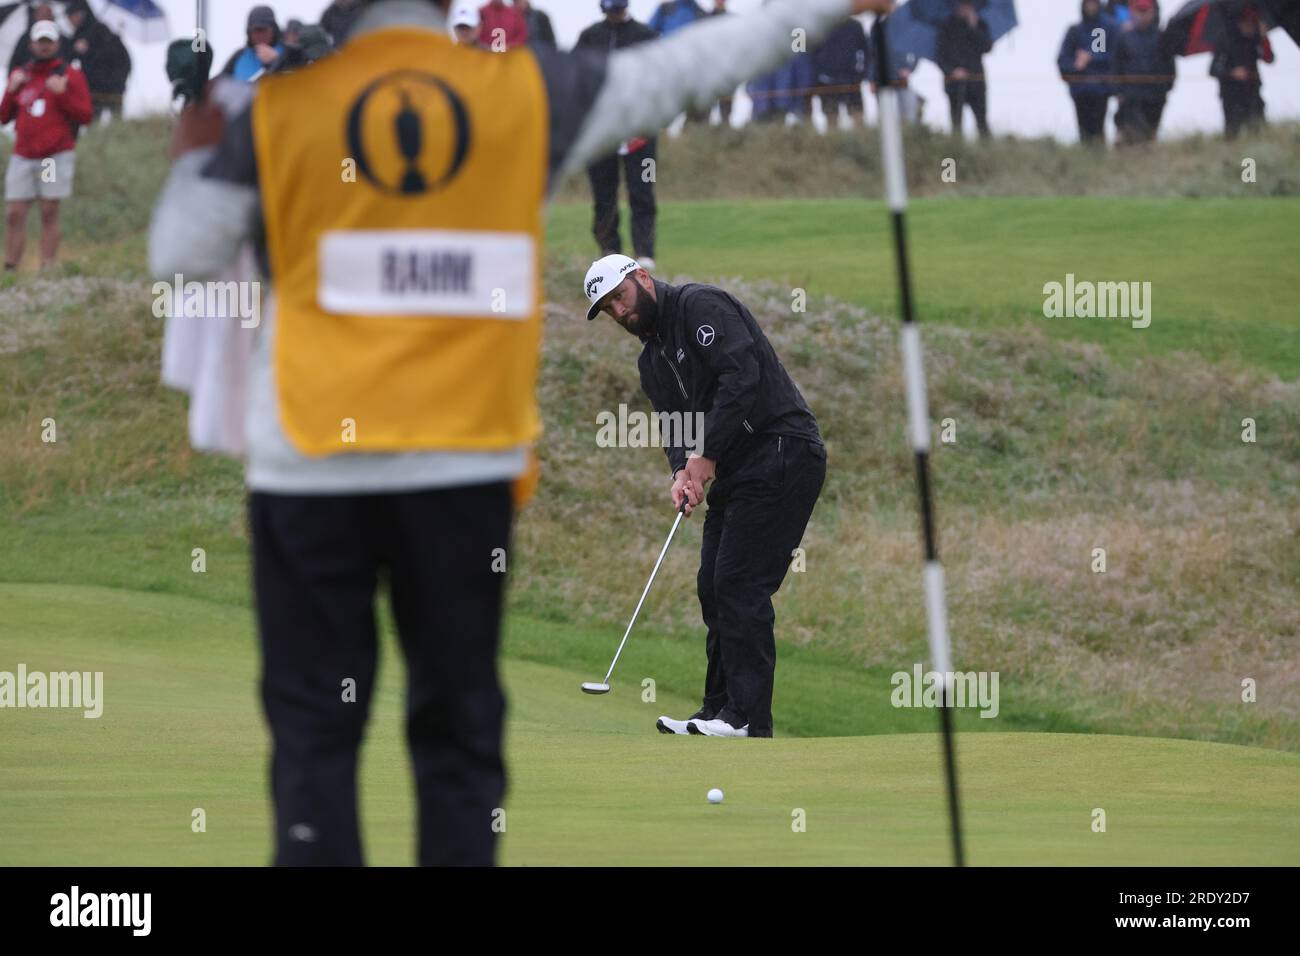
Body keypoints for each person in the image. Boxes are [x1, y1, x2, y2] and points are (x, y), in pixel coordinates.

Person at [150, 0, 894, 867]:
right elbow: (693, 66)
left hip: (309, 466)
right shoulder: (523, 91)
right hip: (462, 474)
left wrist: (198, 146)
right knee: (458, 738)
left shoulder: (280, 109)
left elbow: (182, 251)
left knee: (316, 733)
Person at [583, 256, 827, 739]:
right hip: (740, 470)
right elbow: (677, 426)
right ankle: (718, 712)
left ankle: (748, 719)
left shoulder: (700, 306)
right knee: (713, 585)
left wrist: (707, 455)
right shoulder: (651, 360)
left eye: (620, 297)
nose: (619, 312)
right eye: (608, 308)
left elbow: (743, 377)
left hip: (782, 449)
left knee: (739, 583)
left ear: (643, 279)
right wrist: (681, 470)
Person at [2, 20, 92, 272]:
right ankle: (10, 267)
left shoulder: (69, 75)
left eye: (48, 41)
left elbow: (85, 115)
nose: (44, 46)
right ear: (31, 44)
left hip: (53, 156)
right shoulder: (21, 74)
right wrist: (10, 91)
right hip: (23, 154)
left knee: (48, 210)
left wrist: (63, 94)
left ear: (56, 44)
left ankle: (47, 267)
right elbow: (3, 116)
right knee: (14, 213)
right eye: (40, 41)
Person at [576, 0, 659, 269]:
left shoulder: (646, 36)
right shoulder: (590, 37)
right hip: (601, 130)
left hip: (640, 129)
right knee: (603, 193)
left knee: (642, 191)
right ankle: (609, 249)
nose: (614, 14)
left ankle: (644, 251)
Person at [1113, 0, 1173, 144]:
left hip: (1155, 97)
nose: (1142, 15)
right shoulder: (1124, 37)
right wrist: (1118, 91)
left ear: (1152, 12)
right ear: (1132, 13)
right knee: (1135, 134)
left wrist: (1166, 87)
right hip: (1131, 97)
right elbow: (1116, 66)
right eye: (1139, 11)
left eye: (1145, 11)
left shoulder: (1161, 38)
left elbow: (1170, 66)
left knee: (1150, 134)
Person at [1058, 0, 1117, 143]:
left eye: (1093, 3)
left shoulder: (1106, 29)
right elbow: (1063, 60)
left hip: (1100, 90)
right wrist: (1075, 66)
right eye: (1088, 3)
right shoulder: (1074, 31)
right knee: (1084, 133)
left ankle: (1099, 159)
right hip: (1080, 91)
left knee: (1097, 131)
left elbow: (1112, 57)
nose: (1091, 6)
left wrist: (1091, 58)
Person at [1211, 5, 1273, 139]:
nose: (1250, 26)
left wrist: (1264, 38)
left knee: (1258, 130)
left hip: (1253, 93)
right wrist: (1232, 72)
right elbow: (1213, 70)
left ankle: (1256, 158)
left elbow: (1269, 58)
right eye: (1247, 22)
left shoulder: (1256, 40)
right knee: (1233, 133)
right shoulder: (1225, 41)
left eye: (1253, 23)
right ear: (1239, 23)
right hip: (1231, 96)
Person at [63, 0, 131, 122]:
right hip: (93, 88)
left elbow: (118, 58)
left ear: (80, 14)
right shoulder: (79, 35)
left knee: (115, 121)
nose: (70, 21)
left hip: (112, 86)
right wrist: (76, 49)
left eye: (71, 16)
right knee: (93, 121)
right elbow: (68, 57)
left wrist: (90, 50)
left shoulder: (102, 31)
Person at [936, 0, 992, 139]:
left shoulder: (980, 24)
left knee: (982, 123)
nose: (966, 8)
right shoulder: (946, 26)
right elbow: (939, 56)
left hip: (976, 82)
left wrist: (974, 28)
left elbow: (987, 47)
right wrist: (952, 72)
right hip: (954, 84)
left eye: (969, 5)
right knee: (956, 124)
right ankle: (956, 155)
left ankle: (987, 155)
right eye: (964, 5)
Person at [811, 16, 869, 129]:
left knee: (858, 119)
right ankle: (834, 145)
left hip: (851, 81)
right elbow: (810, 54)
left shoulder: (855, 26)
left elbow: (865, 51)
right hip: (826, 81)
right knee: (831, 120)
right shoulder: (819, 26)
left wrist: (861, 74)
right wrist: (816, 78)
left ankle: (861, 145)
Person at [221, 6, 284, 83]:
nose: (260, 36)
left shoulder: (288, 53)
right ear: (249, 32)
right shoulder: (238, 56)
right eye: (256, 31)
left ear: (273, 30)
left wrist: (277, 61)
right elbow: (218, 87)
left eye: (264, 30)